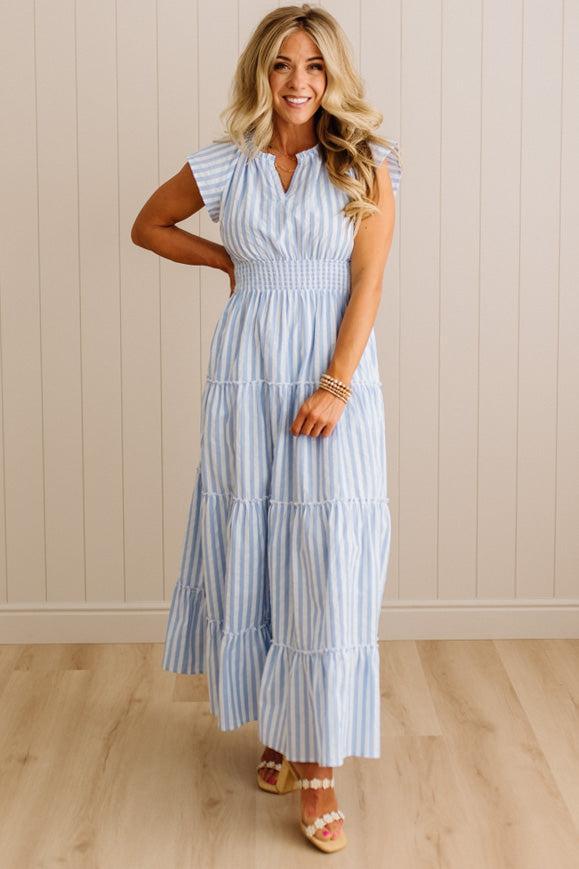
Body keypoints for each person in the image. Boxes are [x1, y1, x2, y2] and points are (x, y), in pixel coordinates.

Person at [131, 3, 401, 854]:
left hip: (331, 375)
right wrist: (227, 260)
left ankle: (318, 767)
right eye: (283, 65)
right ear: (261, 72)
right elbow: (147, 225)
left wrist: (335, 383)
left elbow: (367, 286)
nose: (298, 82)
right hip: (245, 379)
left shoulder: (365, 163)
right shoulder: (225, 164)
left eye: (314, 67)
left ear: (333, 77)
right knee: (257, 546)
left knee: (326, 556)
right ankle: (279, 727)